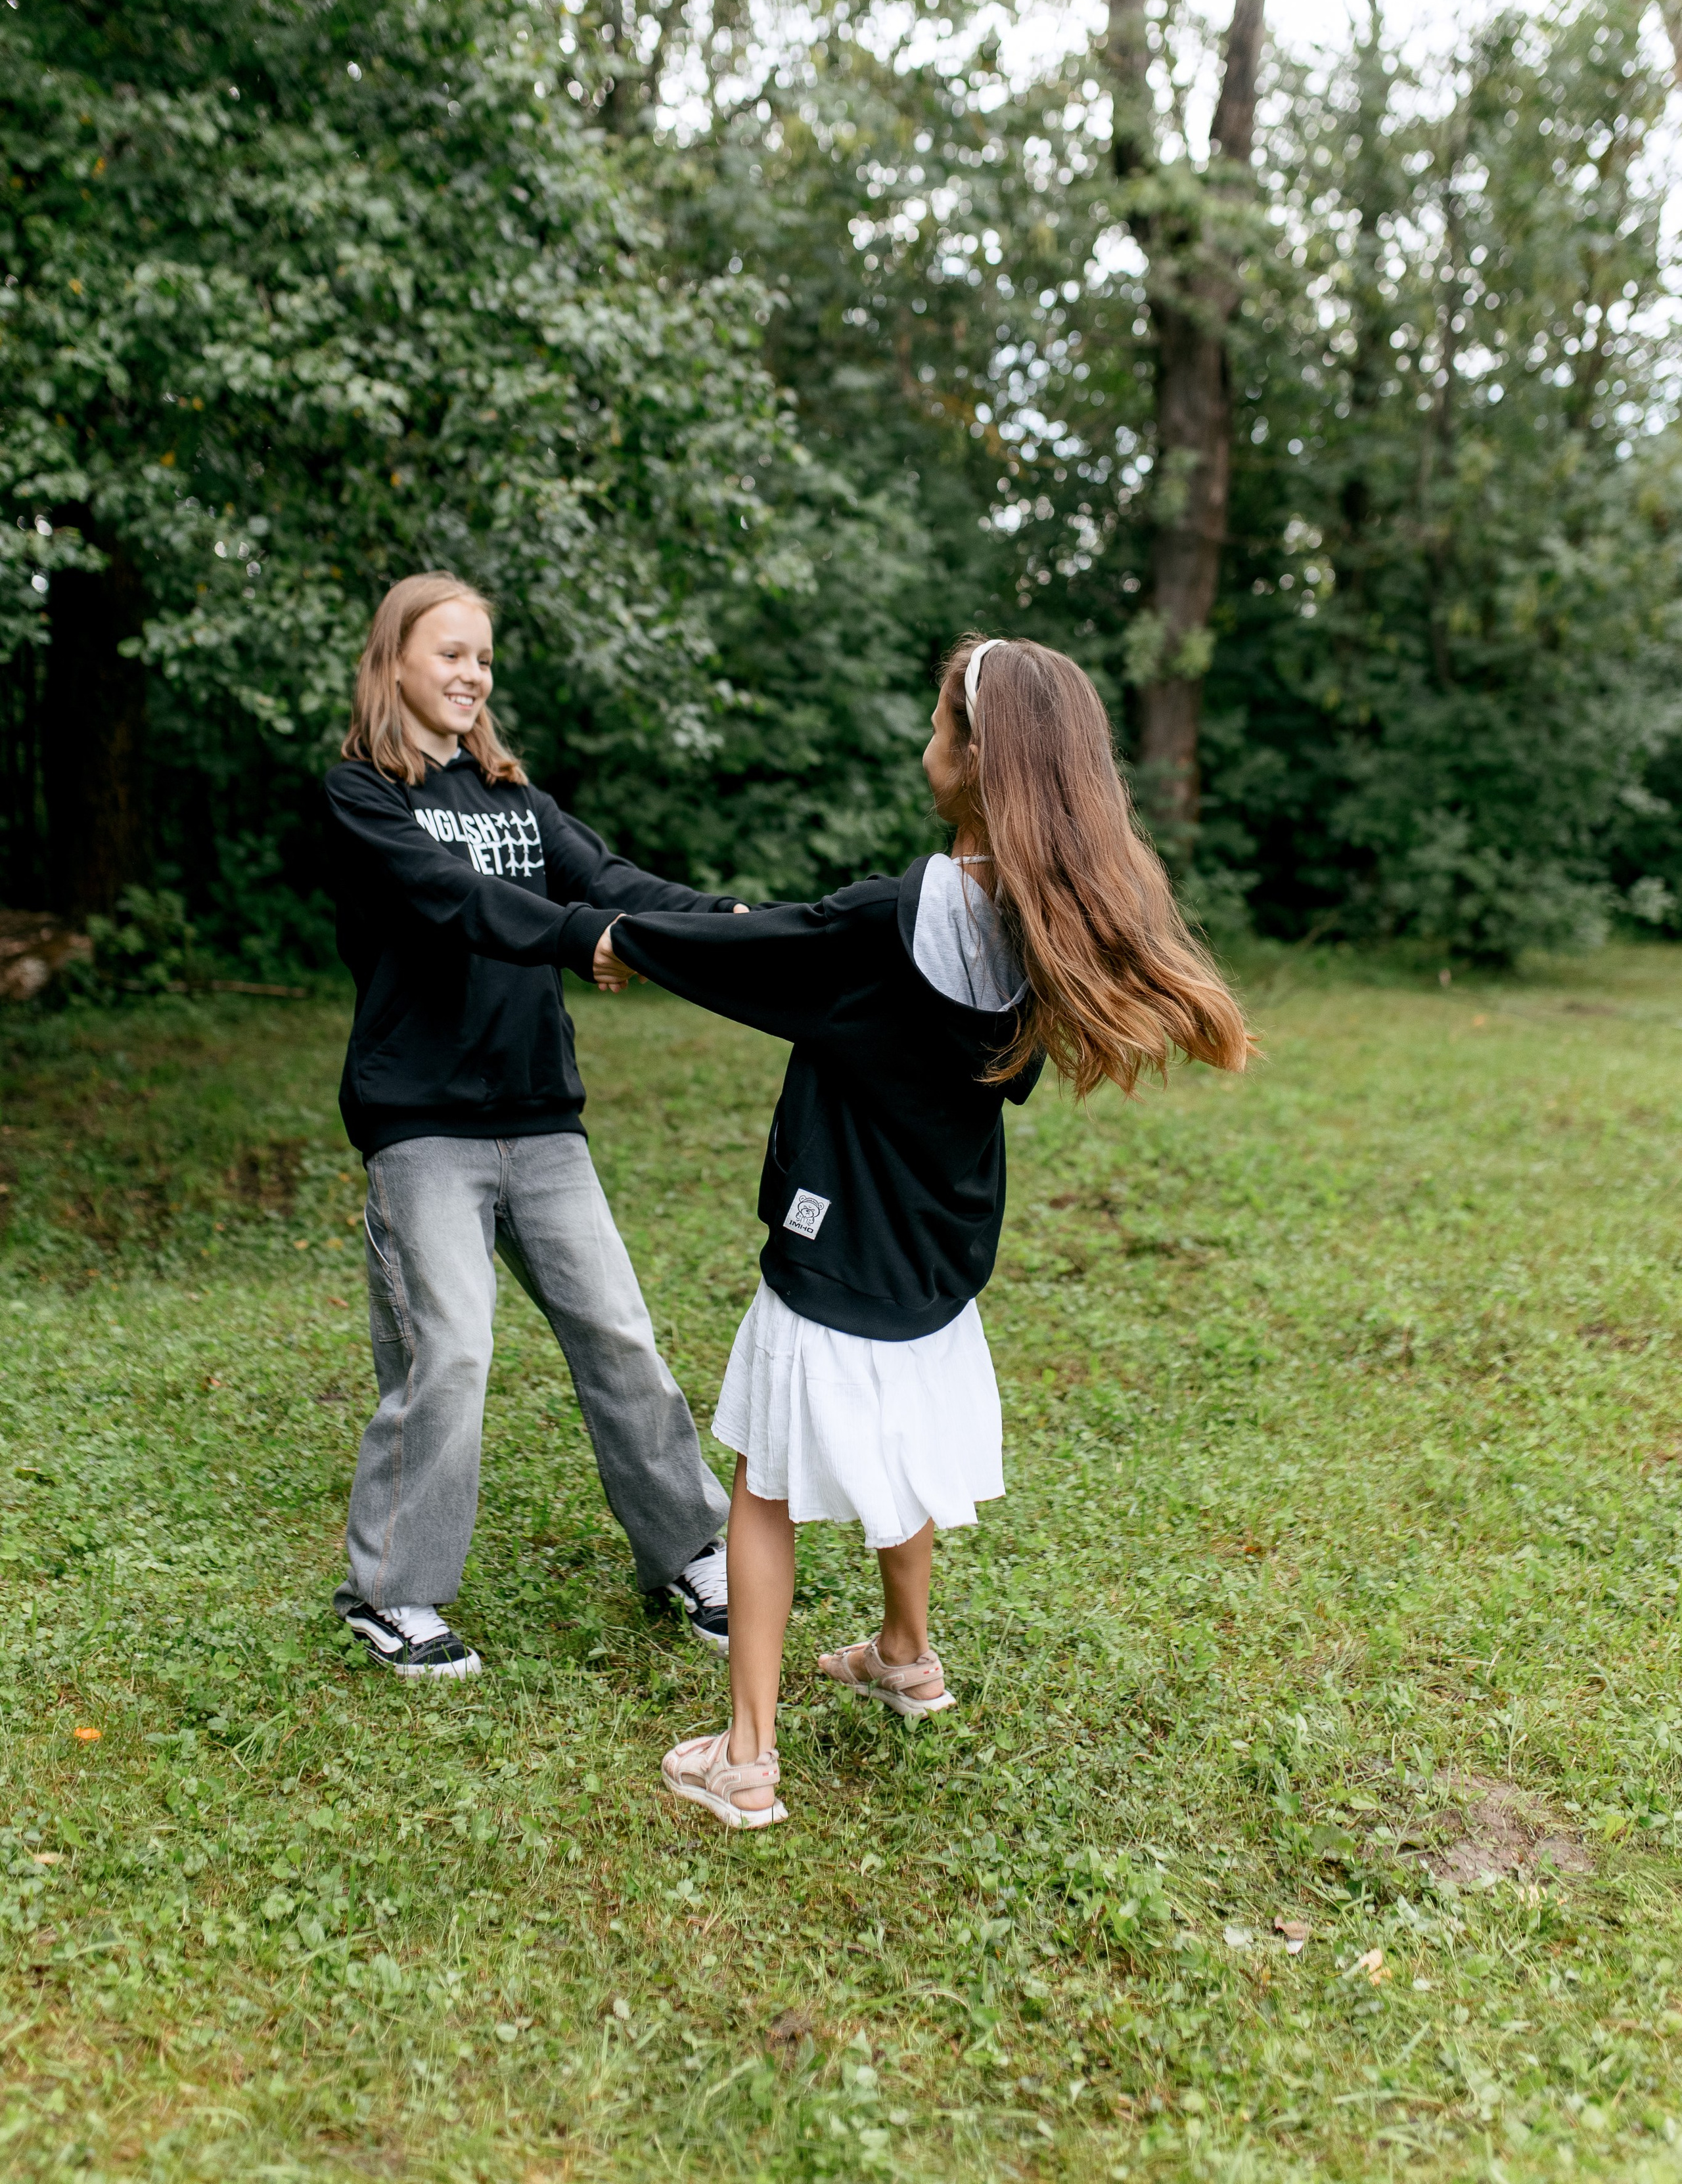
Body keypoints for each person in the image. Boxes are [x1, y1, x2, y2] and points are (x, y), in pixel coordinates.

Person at [581, 635, 1254, 1827]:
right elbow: (804, 951)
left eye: (938, 729)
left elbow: (759, 959)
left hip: (834, 1243)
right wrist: (702, 922)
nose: (921, 748)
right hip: (940, 1259)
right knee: (897, 1443)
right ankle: (904, 1651)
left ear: (977, 761)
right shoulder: (1048, 937)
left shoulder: (888, 922)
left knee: (760, 1489)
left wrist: (615, 938)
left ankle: (744, 1756)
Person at [325, 571, 743, 1678]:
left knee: (622, 1335)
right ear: (396, 661)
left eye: (483, 659)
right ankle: (393, 1597)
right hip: (423, 1125)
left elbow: (609, 878)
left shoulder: (516, 798)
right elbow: (449, 901)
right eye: (450, 654)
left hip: (542, 1121)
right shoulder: (360, 797)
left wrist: (733, 926)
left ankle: (688, 1553)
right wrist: (580, 938)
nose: (471, 675)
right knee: (448, 1351)